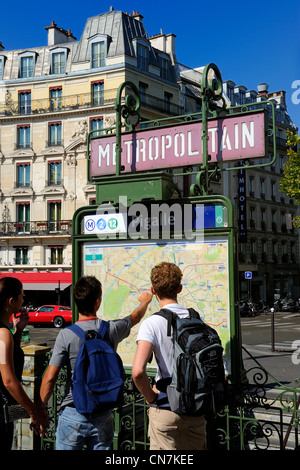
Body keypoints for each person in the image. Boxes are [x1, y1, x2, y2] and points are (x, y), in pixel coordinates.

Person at [39, 275, 152, 450]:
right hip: (103, 414)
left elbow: (50, 377)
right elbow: (134, 317)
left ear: (76, 302)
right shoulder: (111, 330)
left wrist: (40, 409)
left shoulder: (66, 335)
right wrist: (145, 301)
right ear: (98, 302)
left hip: (73, 412)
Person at [132, 262, 206, 450]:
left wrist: (150, 398)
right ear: (180, 288)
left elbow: (138, 372)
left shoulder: (152, 323)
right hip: (195, 408)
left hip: (165, 408)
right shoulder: (196, 319)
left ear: (153, 290)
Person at [0, 277, 49, 450]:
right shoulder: (2, 334)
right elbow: (8, 380)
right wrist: (34, 412)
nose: (24, 297)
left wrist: (18, 331)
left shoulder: (5, 333)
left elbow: (7, 359)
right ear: (11, 301)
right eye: (21, 294)